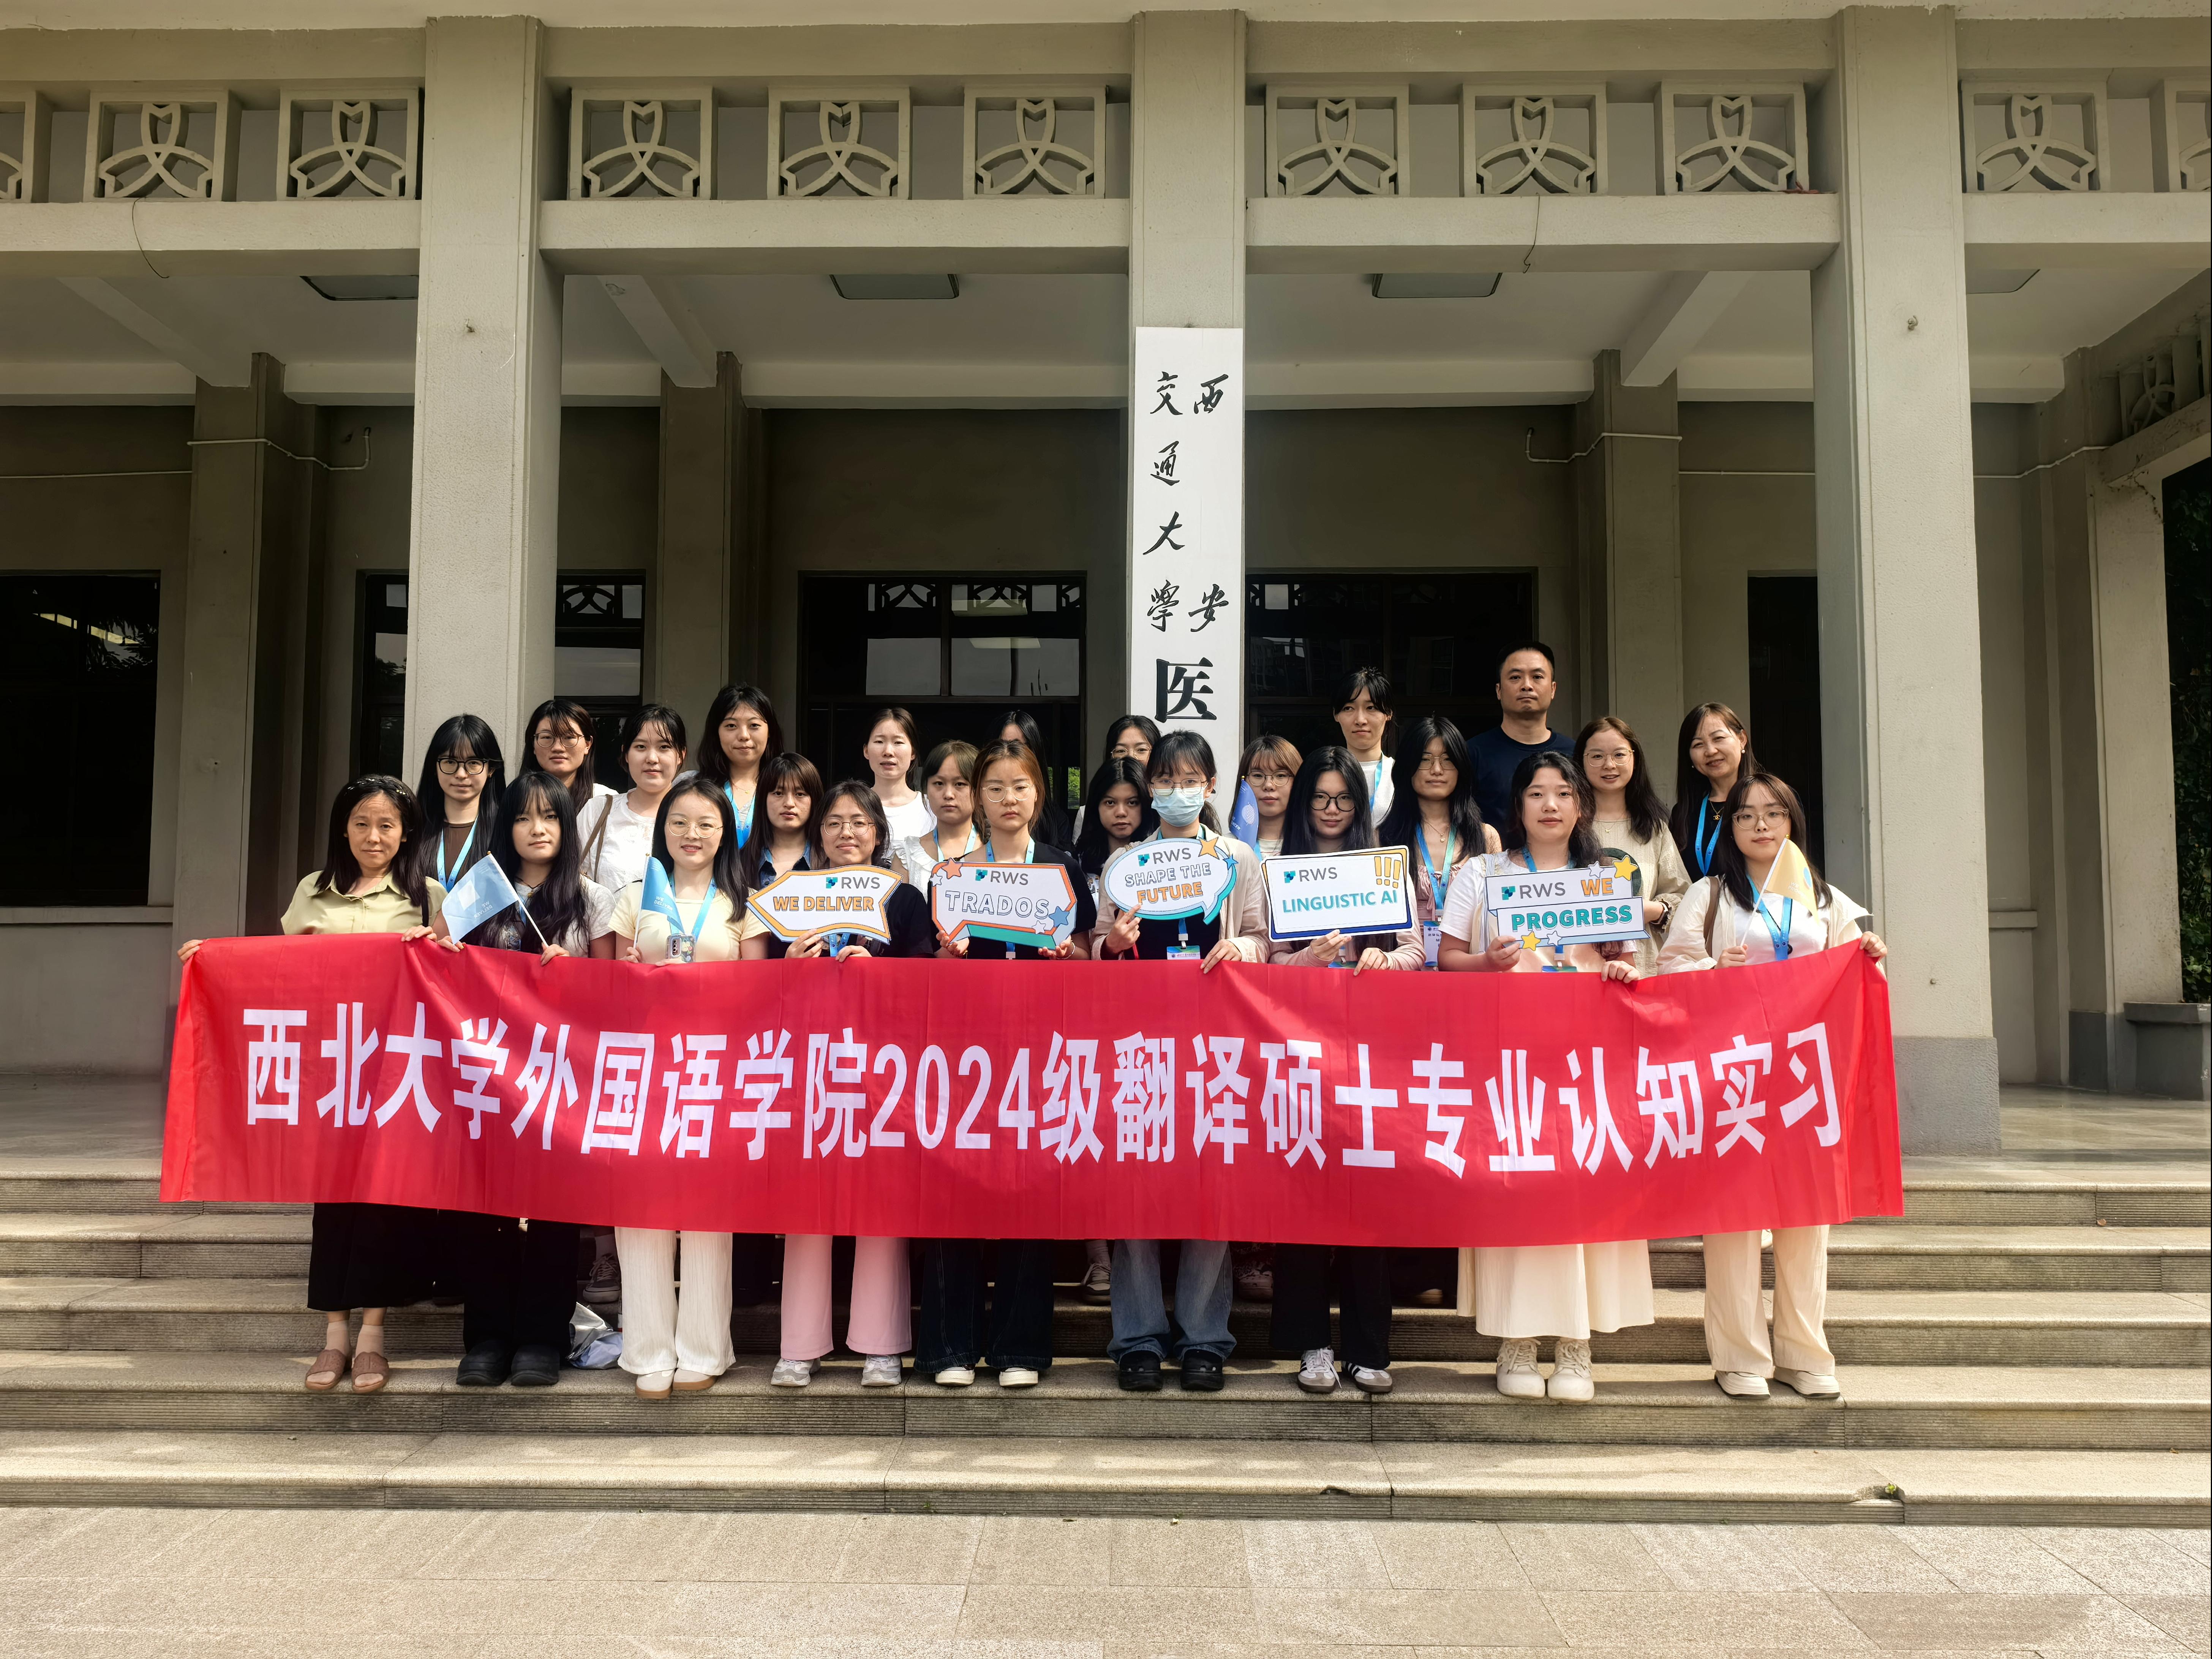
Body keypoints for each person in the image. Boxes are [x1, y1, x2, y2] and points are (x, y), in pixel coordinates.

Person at [178, 776, 447, 1395]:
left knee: (383, 1201)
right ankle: (333, 1333)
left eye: (386, 825)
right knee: (332, 1201)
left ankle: (373, 1337)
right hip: (329, 1069)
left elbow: (446, 972)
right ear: (343, 830)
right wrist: (215, 955)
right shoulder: (313, 890)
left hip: (394, 1069)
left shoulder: (427, 894)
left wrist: (435, 945)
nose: (374, 836)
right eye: (361, 823)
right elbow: (281, 968)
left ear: (406, 833)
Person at [1660, 771, 1887, 1403]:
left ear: (1792, 821)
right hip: (1731, 1074)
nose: (1760, 825)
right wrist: (1714, 967)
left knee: (1806, 1217)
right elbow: (1669, 972)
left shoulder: (1821, 897)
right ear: (1728, 828)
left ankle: (1803, 1353)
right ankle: (1739, 1356)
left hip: (1803, 1075)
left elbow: (1850, 963)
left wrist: (1867, 951)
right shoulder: (1708, 895)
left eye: (1773, 813)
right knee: (1732, 1218)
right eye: (1745, 815)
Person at [1438, 751, 1650, 1402]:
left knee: (1583, 1198)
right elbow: (1447, 958)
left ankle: (1577, 1345)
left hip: (1586, 1063)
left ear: (1580, 806)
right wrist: (1487, 964)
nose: (1550, 805)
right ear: (1517, 804)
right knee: (1515, 1195)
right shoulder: (1482, 872)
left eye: (1562, 793)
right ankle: (1516, 1340)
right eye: (1536, 793)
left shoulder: (1606, 877)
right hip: (1507, 1062)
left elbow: (1625, 960)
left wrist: (1621, 969)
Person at [419, 771, 615, 1388]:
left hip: (560, 1077)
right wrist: (429, 947)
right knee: (484, 1206)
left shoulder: (590, 898)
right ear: (506, 827)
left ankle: (541, 1336)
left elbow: (613, 993)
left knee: (555, 1209)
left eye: (550, 817)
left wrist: (574, 973)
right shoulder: (481, 888)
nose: (537, 829)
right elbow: (439, 958)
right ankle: (487, 1337)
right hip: (486, 1073)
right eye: (524, 817)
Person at [739, 782, 931, 1389]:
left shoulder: (903, 899)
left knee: (881, 1203)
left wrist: (883, 974)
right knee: (808, 1204)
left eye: (859, 822)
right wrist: (789, 969)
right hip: (808, 1067)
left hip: (883, 1071)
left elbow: (929, 981)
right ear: (818, 834)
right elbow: (754, 986)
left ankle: (881, 1346)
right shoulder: (790, 894)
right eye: (834, 823)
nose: (847, 832)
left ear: (879, 832)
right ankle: (799, 1346)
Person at [919, 740, 1095, 1390]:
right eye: (993, 788)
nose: (1007, 799)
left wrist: (1067, 958)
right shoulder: (952, 874)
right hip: (967, 1057)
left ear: (1038, 795)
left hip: (1041, 1055)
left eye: (1019, 786)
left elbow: (1087, 957)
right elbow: (934, 972)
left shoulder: (1063, 867)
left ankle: (1020, 1346)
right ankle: (949, 1348)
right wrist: (949, 952)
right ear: (975, 798)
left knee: (1029, 1194)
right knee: (955, 1192)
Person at [1095, 732, 1267, 1393]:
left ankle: (1203, 1338)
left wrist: (1241, 951)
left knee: (1209, 1187)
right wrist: (1112, 944)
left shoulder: (1237, 858)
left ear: (1211, 787)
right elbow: (1094, 948)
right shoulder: (1126, 863)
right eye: (1165, 779)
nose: (1176, 791)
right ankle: (1137, 1338)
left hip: (1215, 1046)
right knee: (1134, 1189)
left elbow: (1261, 937)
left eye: (1190, 780)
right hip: (1140, 1046)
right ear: (1150, 788)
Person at [606, 779, 747, 1398]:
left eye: (706, 824)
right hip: (643, 1068)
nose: (692, 834)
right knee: (640, 1208)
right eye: (680, 822)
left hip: (717, 1069)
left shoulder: (742, 902)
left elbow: (760, 993)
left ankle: (705, 1346)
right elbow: (608, 986)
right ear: (662, 829)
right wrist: (633, 975)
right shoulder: (634, 897)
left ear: (725, 834)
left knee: (709, 1210)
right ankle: (647, 1347)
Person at [1263, 747, 1396, 1396]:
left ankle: (1369, 1348)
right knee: (1304, 1203)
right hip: (1299, 1054)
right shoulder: (1280, 871)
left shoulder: (1385, 868)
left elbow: (1416, 950)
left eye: (1343, 798)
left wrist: (1385, 962)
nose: (1332, 809)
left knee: (1369, 1203)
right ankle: (1311, 1344)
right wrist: (1307, 960)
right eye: (1320, 797)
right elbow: (1269, 962)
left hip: (1373, 1056)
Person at [1375, 716, 1500, 973]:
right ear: (1408, 766)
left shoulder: (1486, 837)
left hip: (1469, 975)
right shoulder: (1383, 838)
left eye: (1447, 760)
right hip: (1401, 975)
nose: (1437, 770)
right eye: (1425, 760)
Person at [1578, 716, 1691, 976]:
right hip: (1582, 968)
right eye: (1597, 756)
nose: (1609, 765)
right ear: (1581, 761)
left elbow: (1684, 896)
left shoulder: (1654, 828)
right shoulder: (1568, 826)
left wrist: (1651, 911)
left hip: (1644, 967)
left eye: (1619, 755)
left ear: (1635, 759)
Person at [1466, 642, 1576, 830]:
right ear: (1499, 690)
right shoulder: (1471, 754)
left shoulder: (1576, 753)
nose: (1527, 686)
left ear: (1553, 689)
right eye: (1516, 677)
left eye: (1537, 677)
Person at [584, 703, 686, 893]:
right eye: (641, 747)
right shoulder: (597, 811)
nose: (652, 758)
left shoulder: (697, 817)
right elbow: (572, 881)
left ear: (681, 755)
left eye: (664, 747)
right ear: (626, 754)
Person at [525, 697, 617, 880]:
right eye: (547, 738)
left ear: (588, 744)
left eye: (569, 738)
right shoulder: (517, 799)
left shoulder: (607, 801)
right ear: (533, 745)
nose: (558, 748)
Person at [413, 714, 504, 893]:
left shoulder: (506, 829)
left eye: (473, 763)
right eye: (450, 762)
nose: (461, 774)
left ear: (491, 769)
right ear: (434, 767)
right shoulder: (412, 828)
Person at [1668, 702, 1756, 882]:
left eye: (1718, 738)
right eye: (1698, 745)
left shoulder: (1769, 802)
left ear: (1742, 739)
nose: (1710, 751)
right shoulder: (1683, 813)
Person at [697, 683, 779, 851]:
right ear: (717, 732)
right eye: (731, 726)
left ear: (770, 731)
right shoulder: (694, 786)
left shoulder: (786, 788)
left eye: (754, 725)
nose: (744, 736)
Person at [892, 739, 979, 898]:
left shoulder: (996, 851)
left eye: (960, 784)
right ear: (926, 787)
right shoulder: (907, 856)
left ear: (978, 789)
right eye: (939, 784)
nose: (948, 795)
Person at [1072, 755, 1157, 912]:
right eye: (1110, 803)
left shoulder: (1160, 858)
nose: (1121, 812)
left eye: (1132, 803)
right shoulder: (1077, 864)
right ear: (1096, 807)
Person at [740, 752, 821, 887]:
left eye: (800, 794)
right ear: (763, 800)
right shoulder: (739, 864)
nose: (789, 803)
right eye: (778, 793)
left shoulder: (831, 861)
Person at [995, 707, 1072, 848]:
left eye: (1020, 746)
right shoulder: (980, 816)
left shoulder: (1056, 820)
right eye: (1004, 745)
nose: (1010, 753)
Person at [863, 707, 934, 846]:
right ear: (866, 751)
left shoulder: (932, 808)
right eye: (879, 742)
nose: (888, 752)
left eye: (898, 743)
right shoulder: (853, 806)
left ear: (913, 752)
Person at [1332, 667, 1396, 820]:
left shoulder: (1402, 775)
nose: (1360, 720)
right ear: (1336, 715)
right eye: (1349, 708)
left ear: (1388, 713)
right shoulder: (1323, 774)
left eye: (1371, 708)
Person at [1237, 733, 1302, 858]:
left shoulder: (1317, 846)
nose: (1269, 785)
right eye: (1258, 776)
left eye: (1281, 776)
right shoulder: (1226, 848)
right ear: (1243, 782)